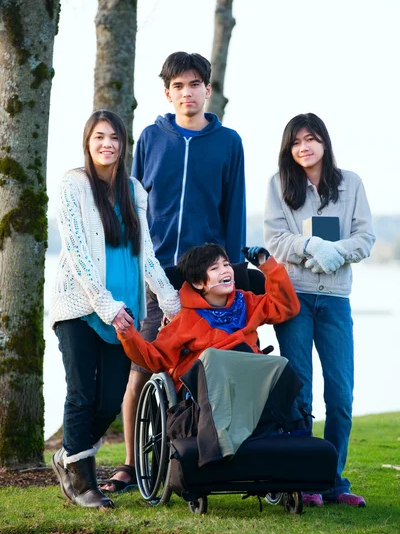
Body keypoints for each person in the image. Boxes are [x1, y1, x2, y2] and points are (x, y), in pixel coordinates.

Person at [102, 51, 246, 493]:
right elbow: (132, 205)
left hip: (205, 280)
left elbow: (234, 210)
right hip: (154, 273)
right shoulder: (150, 138)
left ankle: (203, 454)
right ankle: (129, 463)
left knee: (209, 367)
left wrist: (231, 273)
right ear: (168, 93)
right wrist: (131, 266)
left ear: (207, 88)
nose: (187, 92)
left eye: (194, 84)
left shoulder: (228, 142)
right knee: (141, 366)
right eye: (178, 86)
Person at [50, 110, 180, 509]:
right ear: (88, 143)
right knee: (82, 394)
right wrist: (105, 305)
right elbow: (75, 252)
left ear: (124, 145)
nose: (107, 144)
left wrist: (171, 301)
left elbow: (148, 257)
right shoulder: (73, 185)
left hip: (126, 311)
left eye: (115, 138)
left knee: (110, 399)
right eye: (99, 137)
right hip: (80, 306)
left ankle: (68, 456)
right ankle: (82, 482)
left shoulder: (135, 191)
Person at [263, 112, 375, 508]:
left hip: (335, 301)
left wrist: (335, 252)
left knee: (341, 396)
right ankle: (303, 481)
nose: (303, 148)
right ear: (288, 149)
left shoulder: (351, 184)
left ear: (324, 143)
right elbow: (275, 239)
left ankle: (333, 483)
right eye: (296, 142)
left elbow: (365, 237)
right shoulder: (280, 186)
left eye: (311, 139)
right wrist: (310, 247)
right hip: (295, 298)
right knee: (300, 394)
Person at [116, 243, 300, 387]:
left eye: (226, 264)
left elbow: (285, 307)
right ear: (198, 283)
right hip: (209, 384)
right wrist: (128, 332)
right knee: (229, 355)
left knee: (281, 366)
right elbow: (156, 358)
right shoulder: (187, 318)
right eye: (215, 268)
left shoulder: (247, 302)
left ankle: (290, 425)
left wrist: (268, 265)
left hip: (250, 375)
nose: (226, 270)